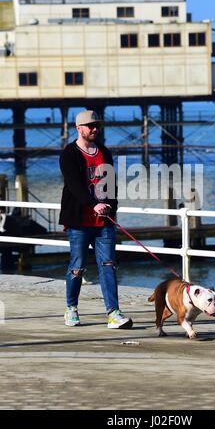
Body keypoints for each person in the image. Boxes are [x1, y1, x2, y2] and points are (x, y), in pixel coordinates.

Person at [59, 110, 133, 329]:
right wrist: (94, 204)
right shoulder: (69, 153)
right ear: (79, 128)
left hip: (104, 223)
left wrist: (112, 206)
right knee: (78, 266)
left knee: (109, 265)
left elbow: (111, 183)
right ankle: (71, 308)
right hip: (79, 221)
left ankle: (113, 313)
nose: (94, 129)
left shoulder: (105, 152)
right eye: (90, 126)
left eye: (96, 126)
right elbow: (74, 185)